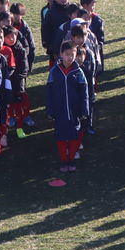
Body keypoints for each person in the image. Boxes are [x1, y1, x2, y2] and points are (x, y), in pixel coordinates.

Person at [46, 41, 89, 173]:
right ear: (61, 54)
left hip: (74, 111)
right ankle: (64, 160)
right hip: (59, 111)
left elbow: (84, 92)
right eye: (67, 54)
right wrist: (50, 109)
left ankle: (71, 159)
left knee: (74, 135)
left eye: (73, 54)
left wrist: (84, 109)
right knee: (61, 136)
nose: (70, 57)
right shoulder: (54, 72)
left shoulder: (78, 72)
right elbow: (49, 92)